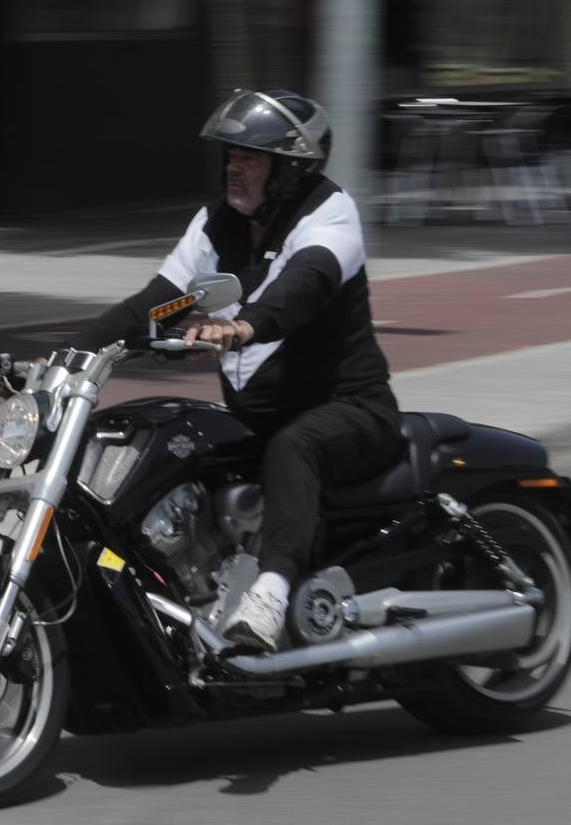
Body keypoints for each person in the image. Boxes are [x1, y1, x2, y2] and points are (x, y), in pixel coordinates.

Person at [70, 89, 404, 651]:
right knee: (170, 448)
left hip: (349, 411)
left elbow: (307, 284)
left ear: (290, 167)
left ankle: (269, 597)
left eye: (250, 157)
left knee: (294, 446)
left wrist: (243, 326)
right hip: (257, 417)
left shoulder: (329, 213)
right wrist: (64, 357)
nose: (234, 167)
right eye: (230, 155)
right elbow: (153, 304)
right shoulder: (217, 227)